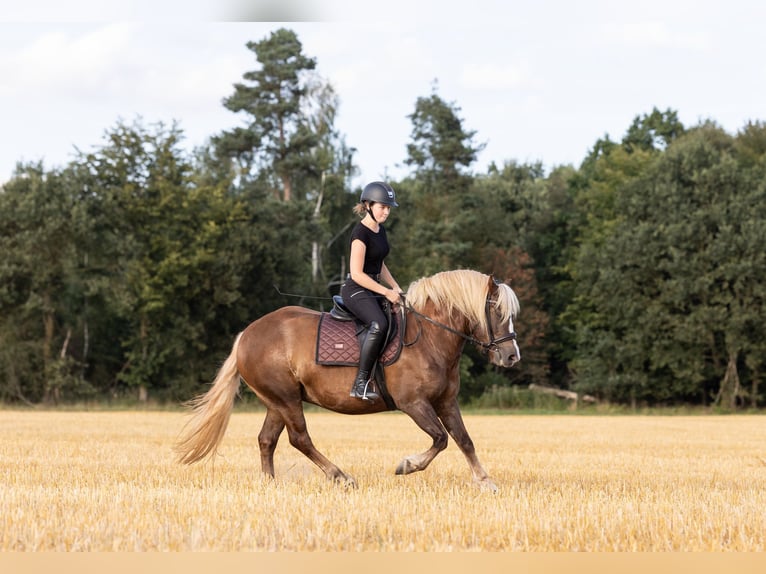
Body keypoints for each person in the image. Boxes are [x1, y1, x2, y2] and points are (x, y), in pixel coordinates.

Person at [341, 181, 403, 400]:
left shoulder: (380, 229)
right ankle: (360, 384)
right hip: (356, 289)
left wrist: (395, 286)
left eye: (388, 207)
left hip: (373, 287)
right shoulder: (360, 233)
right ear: (368, 205)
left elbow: (380, 264)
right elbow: (357, 274)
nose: (386, 211)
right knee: (379, 324)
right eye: (382, 207)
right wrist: (386, 292)